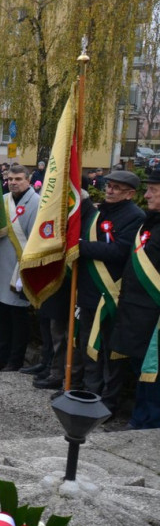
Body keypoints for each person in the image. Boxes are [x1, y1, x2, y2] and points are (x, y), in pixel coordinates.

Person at [46, 171, 144, 403]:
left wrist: (81, 247)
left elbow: (120, 251)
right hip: (89, 293)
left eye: (117, 188)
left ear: (130, 193)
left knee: (109, 352)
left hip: (111, 294)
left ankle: (107, 401)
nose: (109, 190)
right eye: (109, 185)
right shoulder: (99, 213)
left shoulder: (135, 217)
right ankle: (86, 393)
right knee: (87, 347)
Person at [110, 168, 160, 430]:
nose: (147, 194)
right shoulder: (150, 221)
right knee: (141, 369)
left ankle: (147, 422)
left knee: (153, 373)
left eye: (153, 190)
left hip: (153, 314)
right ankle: (140, 417)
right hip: (136, 312)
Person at [0, 164, 39, 372]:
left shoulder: (36, 203)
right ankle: (0, 358)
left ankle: (15, 360)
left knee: (18, 318)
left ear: (28, 180)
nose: (13, 182)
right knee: (1, 317)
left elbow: (36, 240)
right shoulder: (3, 201)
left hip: (17, 270)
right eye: (10, 179)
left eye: (18, 179)